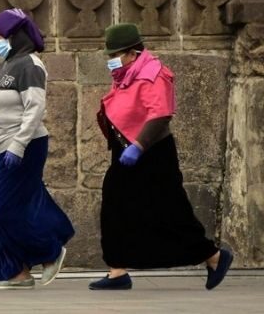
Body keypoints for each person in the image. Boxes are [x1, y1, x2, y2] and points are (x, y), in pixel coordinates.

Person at [90, 23, 234, 291]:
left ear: (132, 53)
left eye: (116, 55)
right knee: (115, 204)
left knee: (169, 209)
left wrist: (138, 146)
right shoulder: (126, 73)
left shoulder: (154, 73)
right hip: (126, 149)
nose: (111, 60)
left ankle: (214, 256)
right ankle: (117, 270)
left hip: (152, 152)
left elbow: (160, 114)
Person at [0, 8, 75, 290]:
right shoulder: (5, 66)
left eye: (0, 35)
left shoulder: (30, 65)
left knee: (5, 211)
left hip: (22, 146)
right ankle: (14, 272)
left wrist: (18, 145)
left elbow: (35, 108)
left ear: (15, 35)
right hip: (1, 148)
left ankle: (50, 250)